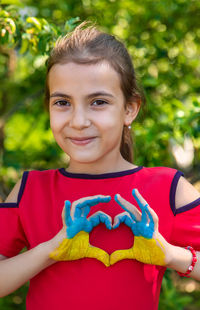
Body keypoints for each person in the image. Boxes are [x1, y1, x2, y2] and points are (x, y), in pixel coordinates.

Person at [0, 21, 200, 310]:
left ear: (129, 109)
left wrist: (169, 254)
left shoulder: (168, 189)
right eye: (62, 102)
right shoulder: (30, 190)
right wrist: (51, 250)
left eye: (98, 102)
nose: (78, 121)